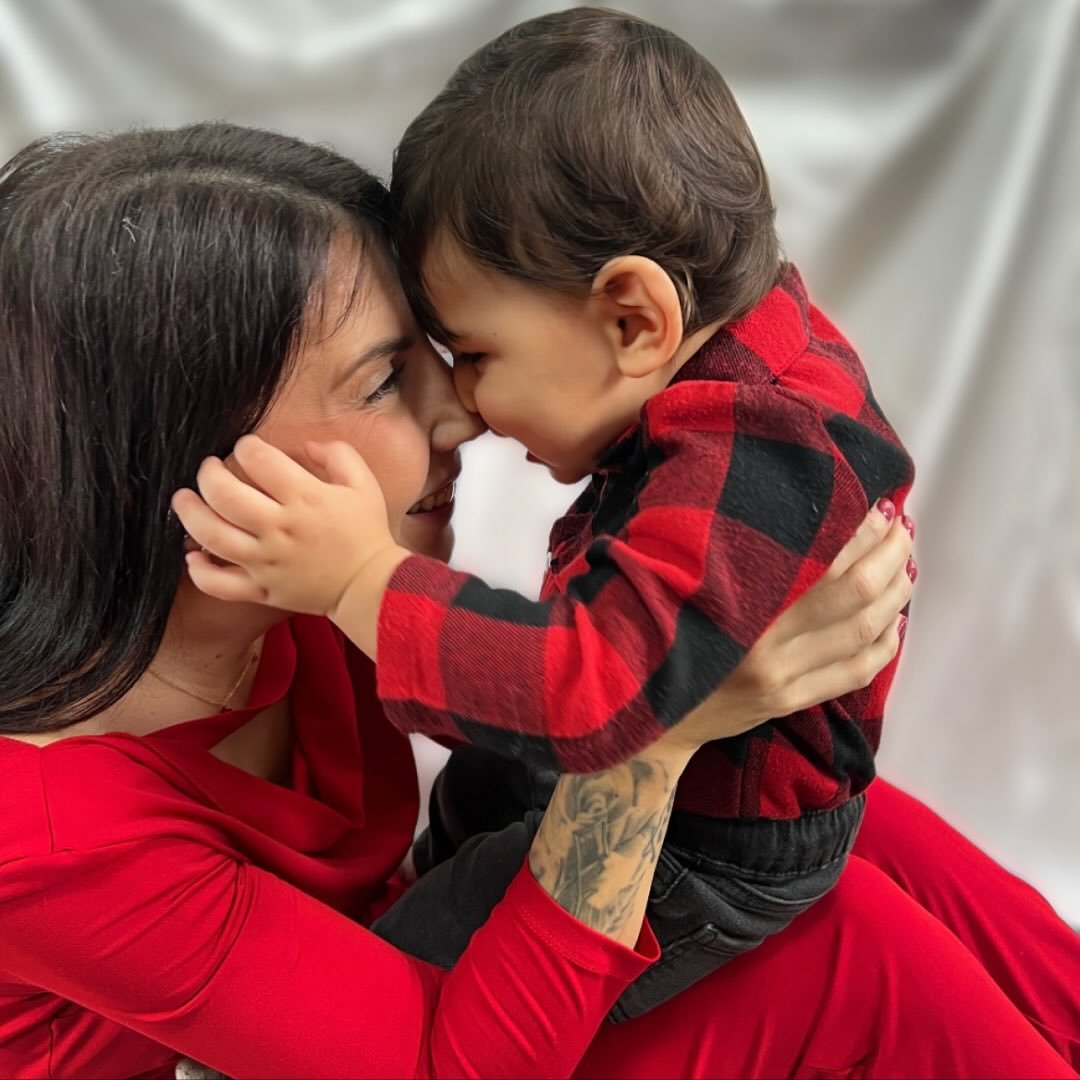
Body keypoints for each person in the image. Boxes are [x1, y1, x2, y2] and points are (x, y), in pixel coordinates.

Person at [1, 124, 1074, 1080]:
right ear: (168, 463)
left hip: (366, 991)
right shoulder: (47, 834)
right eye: (384, 380)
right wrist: (656, 729)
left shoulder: (302, 600)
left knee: (800, 816)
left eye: (446, 354)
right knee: (833, 952)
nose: (461, 415)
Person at [176, 6, 918, 1018]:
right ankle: (431, 871)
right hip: (650, 741)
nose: (467, 405)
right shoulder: (737, 347)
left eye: (477, 355)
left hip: (712, 851)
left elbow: (592, 699)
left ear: (634, 320)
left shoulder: (765, 445)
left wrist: (357, 580)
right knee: (488, 761)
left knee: (422, 962)